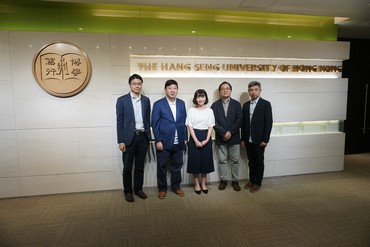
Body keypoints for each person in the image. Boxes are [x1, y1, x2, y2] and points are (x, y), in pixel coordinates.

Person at [116, 74, 151, 202]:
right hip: (128, 139)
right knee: (127, 167)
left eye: (139, 83)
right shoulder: (122, 100)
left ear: (141, 84)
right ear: (130, 85)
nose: (137, 86)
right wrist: (120, 140)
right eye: (134, 83)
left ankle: (138, 189)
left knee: (140, 166)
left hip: (142, 137)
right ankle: (128, 191)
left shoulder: (146, 100)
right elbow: (119, 122)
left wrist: (149, 138)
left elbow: (148, 120)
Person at [152, 79, 188, 199]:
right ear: (165, 90)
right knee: (162, 167)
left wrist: (185, 137)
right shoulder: (158, 104)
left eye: (175, 88)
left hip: (179, 141)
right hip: (164, 141)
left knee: (177, 166)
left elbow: (184, 122)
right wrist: (158, 140)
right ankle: (162, 189)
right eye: (170, 88)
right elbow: (155, 124)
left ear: (177, 90)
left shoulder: (181, 103)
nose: (172, 91)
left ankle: (176, 187)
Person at [241, 81, 273, 193]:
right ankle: (251, 180)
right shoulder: (245, 105)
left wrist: (265, 139)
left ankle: (257, 183)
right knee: (251, 161)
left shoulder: (266, 104)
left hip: (259, 140)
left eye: (256, 90)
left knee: (259, 162)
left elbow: (268, 123)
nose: (253, 92)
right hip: (248, 139)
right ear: (248, 91)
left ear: (260, 90)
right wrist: (242, 139)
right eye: (251, 90)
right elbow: (243, 124)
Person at [211, 81, 243, 191]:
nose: (225, 90)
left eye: (227, 88)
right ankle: (224, 180)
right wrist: (223, 133)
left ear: (230, 90)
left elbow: (239, 120)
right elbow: (213, 122)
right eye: (223, 89)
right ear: (220, 91)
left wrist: (229, 132)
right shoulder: (214, 105)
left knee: (235, 160)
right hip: (221, 138)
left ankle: (235, 181)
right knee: (222, 161)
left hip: (234, 138)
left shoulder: (237, 104)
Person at [186, 89, 215, 194]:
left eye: (202, 97)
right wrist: (196, 141)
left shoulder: (210, 111)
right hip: (194, 137)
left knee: (205, 161)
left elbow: (211, 125)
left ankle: (204, 183)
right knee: (195, 161)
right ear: (195, 98)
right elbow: (190, 126)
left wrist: (207, 140)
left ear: (205, 98)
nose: (200, 99)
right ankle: (196, 183)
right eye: (198, 97)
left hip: (206, 136)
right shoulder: (191, 110)